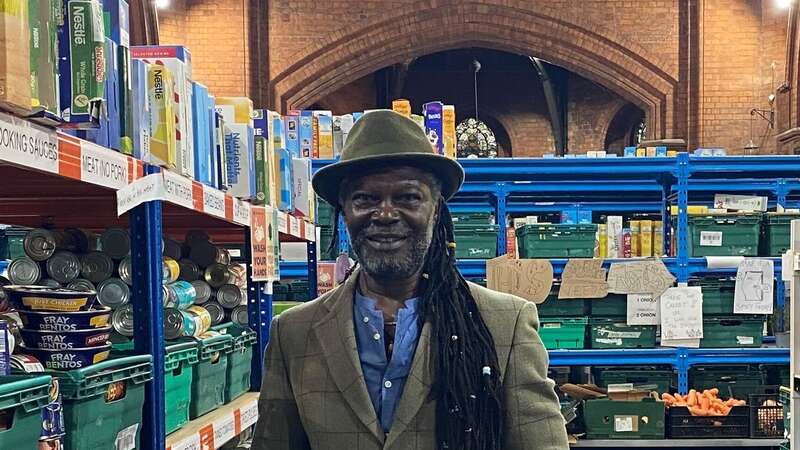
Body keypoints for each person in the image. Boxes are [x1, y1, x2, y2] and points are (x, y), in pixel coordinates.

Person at [252, 110, 568, 450]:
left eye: (408, 198)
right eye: (365, 199)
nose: (385, 214)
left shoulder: (504, 323)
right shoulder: (295, 333)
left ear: (435, 210)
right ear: (344, 212)